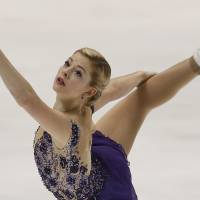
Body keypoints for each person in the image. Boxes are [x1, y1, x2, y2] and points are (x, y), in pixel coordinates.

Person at [0, 47, 200, 199]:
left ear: (89, 92)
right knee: (141, 100)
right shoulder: (84, 107)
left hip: (105, 194)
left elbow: (27, 100)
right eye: (67, 63)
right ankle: (197, 62)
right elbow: (111, 90)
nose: (66, 72)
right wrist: (139, 76)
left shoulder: (67, 127)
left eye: (78, 73)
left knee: (141, 100)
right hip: (97, 166)